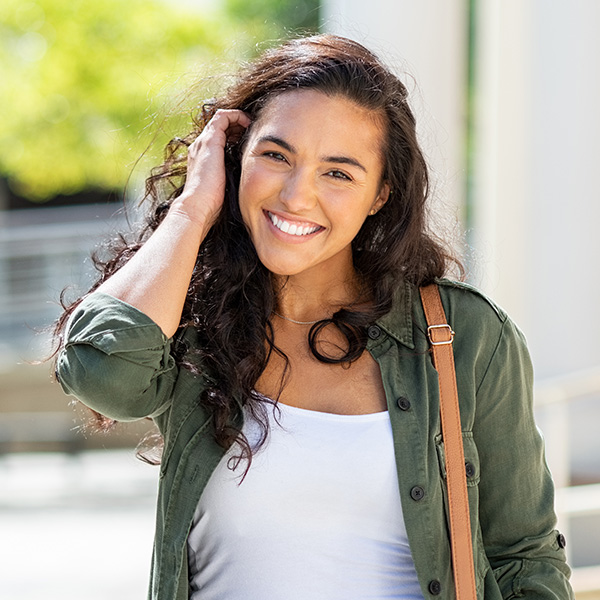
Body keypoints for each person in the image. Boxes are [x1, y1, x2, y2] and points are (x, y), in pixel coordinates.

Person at [54, 34, 574, 600]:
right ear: (236, 157)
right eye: (276, 156)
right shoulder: (192, 321)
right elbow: (100, 375)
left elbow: (524, 558)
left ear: (380, 194)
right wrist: (193, 207)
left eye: (339, 173)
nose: (297, 196)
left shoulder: (463, 335)